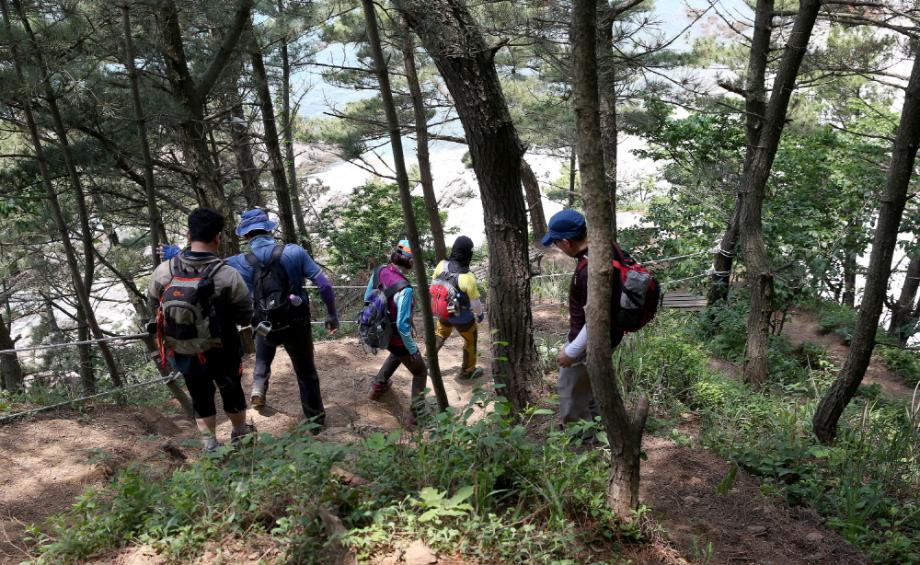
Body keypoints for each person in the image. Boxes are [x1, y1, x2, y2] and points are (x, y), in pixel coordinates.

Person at [147, 208, 255, 452]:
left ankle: (210, 445)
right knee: (231, 390)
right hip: (222, 346)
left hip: (184, 348)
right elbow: (244, 314)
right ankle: (240, 436)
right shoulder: (227, 274)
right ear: (218, 237)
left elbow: (153, 305)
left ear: (188, 234)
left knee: (200, 395)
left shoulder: (165, 270)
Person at [224, 209, 338, 431]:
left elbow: (205, 264)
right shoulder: (295, 252)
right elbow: (324, 285)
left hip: (264, 323)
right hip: (297, 322)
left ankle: (258, 388)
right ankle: (315, 423)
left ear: (246, 236)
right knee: (306, 372)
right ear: (269, 229)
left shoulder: (236, 262)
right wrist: (331, 314)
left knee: (263, 352)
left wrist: (173, 256)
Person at [540, 209, 624, 425]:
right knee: (592, 384)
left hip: (592, 338)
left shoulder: (590, 270)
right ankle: (598, 427)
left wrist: (572, 351)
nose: (557, 247)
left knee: (570, 390)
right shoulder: (606, 247)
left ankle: (578, 437)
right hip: (606, 334)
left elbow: (598, 316)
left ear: (567, 242)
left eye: (557, 243)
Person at [365, 240, 428, 425]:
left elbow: (367, 297)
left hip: (380, 330)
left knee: (397, 354)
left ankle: (378, 385)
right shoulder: (405, 288)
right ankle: (415, 416)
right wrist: (413, 349)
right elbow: (402, 325)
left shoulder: (380, 271)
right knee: (420, 371)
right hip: (396, 336)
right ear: (409, 262)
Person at [431, 236, 485, 379]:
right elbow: (475, 303)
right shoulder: (468, 277)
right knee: (470, 340)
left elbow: (433, 285)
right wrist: (480, 315)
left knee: (440, 334)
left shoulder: (441, 265)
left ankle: (427, 362)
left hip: (442, 313)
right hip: (461, 317)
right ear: (468, 254)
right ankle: (468, 371)